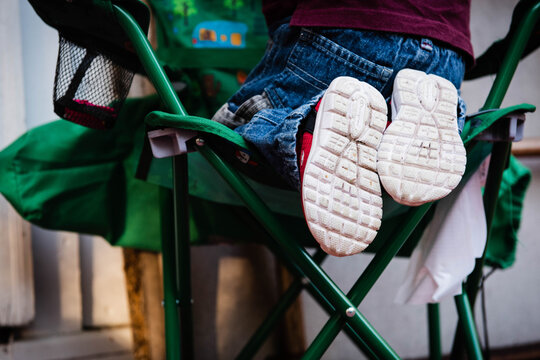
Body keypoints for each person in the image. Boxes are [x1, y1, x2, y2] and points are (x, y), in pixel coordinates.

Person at [212, 0, 471, 256]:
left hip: (341, 29)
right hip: (446, 58)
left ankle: (308, 125)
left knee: (231, 129)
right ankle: (399, 113)